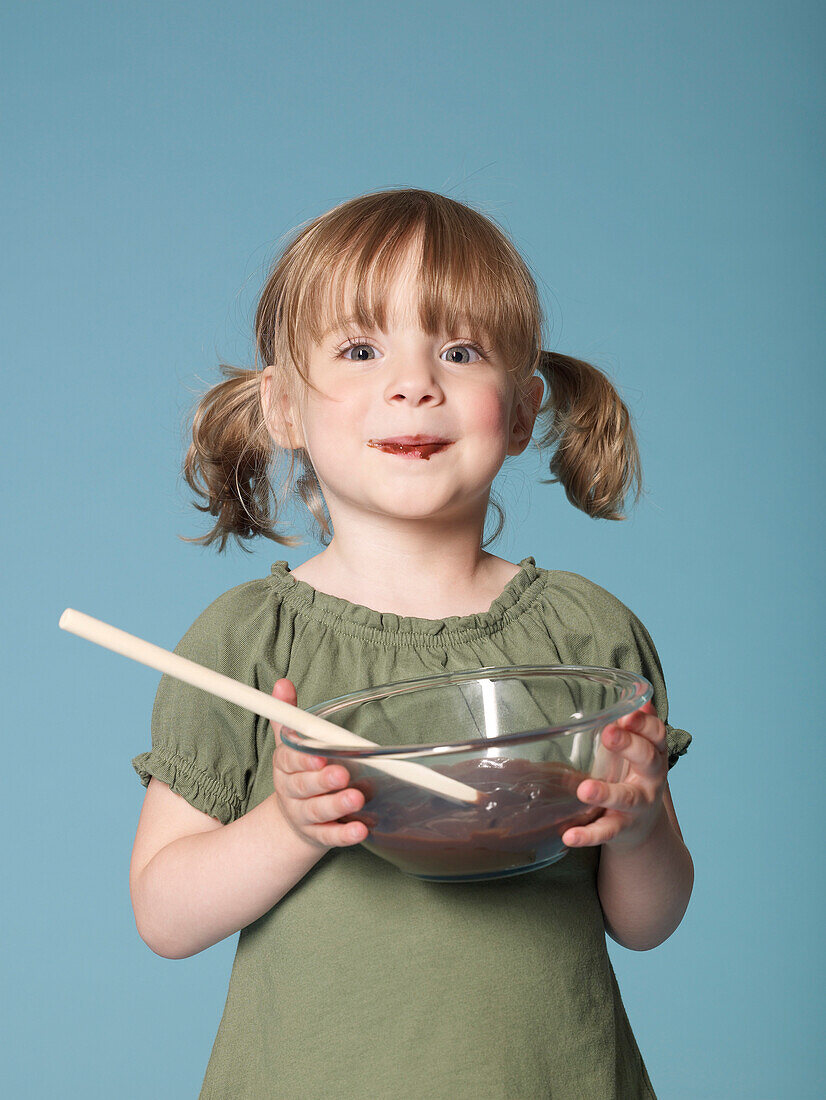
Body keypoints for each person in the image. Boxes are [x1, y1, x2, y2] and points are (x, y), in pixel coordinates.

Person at [130, 188, 693, 1099]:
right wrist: (289, 825)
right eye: (360, 350)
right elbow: (163, 912)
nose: (414, 383)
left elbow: (648, 921)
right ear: (282, 409)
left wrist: (636, 830)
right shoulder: (245, 642)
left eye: (460, 351)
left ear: (519, 412)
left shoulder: (590, 635)